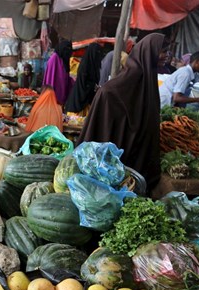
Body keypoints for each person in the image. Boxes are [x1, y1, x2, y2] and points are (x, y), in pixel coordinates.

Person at [78, 33, 165, 189]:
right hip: (112, 165)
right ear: (149, 53)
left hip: (134, 164)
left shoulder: (148, 84)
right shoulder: (110, 92)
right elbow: (101, 132)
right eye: (163, 51)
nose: (167, 56)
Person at [66, 43, 104, 115]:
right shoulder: (85, 66)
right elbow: (84, 83)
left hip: (88, 100)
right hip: (80, 101)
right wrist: (94, 87)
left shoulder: (94, 66)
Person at [43, 40, 74, 106]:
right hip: (54, 93)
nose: (68, 52)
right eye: (66, 49)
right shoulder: (54, 59)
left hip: (62, 92)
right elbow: (50, 79)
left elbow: (66, 76)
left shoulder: (64, 58)